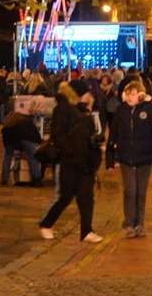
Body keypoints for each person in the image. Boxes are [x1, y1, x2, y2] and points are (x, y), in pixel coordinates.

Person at [38, 83, 104, 243]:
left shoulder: (83, 110)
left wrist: (96, 146)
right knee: (65, 196)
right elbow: (58, 135)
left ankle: (86, 231)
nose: (90, 95)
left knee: (86, 197)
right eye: (87, 92)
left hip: (85, 162)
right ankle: (46, 224)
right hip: (68, 161)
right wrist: (70, 151)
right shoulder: (62, 109)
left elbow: (90, 135)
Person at [106, 78, 152, 237]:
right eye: (127, 93)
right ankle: (129, 224)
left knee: (141, 192)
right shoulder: (121, 111)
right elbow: (113, 135)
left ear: (140, 95)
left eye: (133, 93)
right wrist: (110, 160)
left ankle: (140, 223)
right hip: (126, 158)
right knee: (130, 191)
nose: (130, 96)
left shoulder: (149, 110)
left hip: (145, 159)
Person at [0, 108, 44, 186]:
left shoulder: (7, 125)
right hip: (27, 139)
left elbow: (5, 142)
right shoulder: (26, 121)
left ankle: (4, 179)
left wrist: (13, 149)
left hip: (11, 141)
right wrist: (40, 142)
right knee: (33, 158)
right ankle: (36, 179)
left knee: (7, 157)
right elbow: (35, 134)